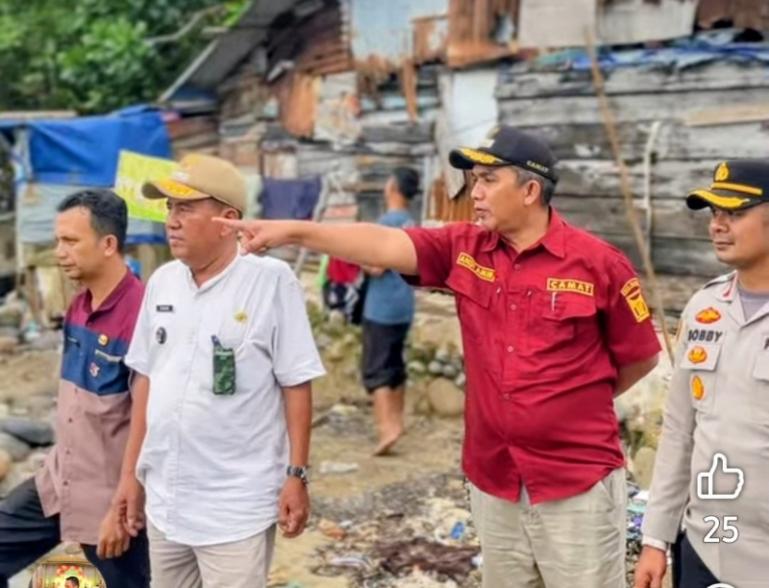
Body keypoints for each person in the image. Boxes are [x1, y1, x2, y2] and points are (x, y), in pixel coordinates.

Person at [216, 125, 662, 587]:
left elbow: (640, 358)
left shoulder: (598, 264)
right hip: (496, 481)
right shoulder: (464, 249)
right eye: (473, 180)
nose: (475, 192)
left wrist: (570, 403)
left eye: (488, 180)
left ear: (530, 191)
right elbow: (382, 243)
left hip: (576, 484)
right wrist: (292, 231)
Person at [124, 153, 325, 588]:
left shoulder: (270, 282)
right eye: (169, 208)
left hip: (234, 505)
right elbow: (147, 379)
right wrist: (131, 478)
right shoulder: (162, 282)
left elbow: (296, 383)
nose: (171, 221)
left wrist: (297, 475)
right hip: (166, 499)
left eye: (185, 208)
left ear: (227, 221)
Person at [0, 190, 150, 587]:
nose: (59, 252)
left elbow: (150, 422)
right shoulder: (78, 305)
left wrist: (124, 502)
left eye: (70, 241)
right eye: (58, 241)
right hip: (58, 481)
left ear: (108, 244)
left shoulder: (142, 316)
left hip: (111, 498)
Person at [634, 159, 769, 588]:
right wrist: (655, 538)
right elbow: (679, 430)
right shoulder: (704, 308)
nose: (717, 225)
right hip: (708, 544)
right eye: (714, 213)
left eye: (735, 213)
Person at [360, 167, 418, 455]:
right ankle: (397, 420)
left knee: (377, 368)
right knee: (395, 365)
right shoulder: (411, 223)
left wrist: (356, 256)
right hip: (404, 305)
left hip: (381, 308)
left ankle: (387, 429)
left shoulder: (386, 224)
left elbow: (376, 266)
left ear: (392, 187)